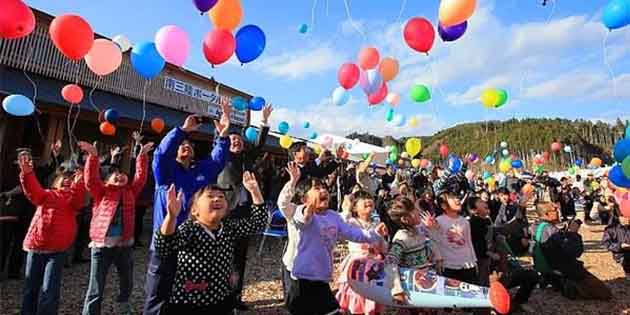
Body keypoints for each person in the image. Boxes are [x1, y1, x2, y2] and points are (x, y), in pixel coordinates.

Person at [143, 100, 232, 315]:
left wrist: (222, 136)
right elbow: (161, 154)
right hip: (166, 241)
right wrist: (182, 131)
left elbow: (218, 160)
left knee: (187, 293)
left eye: (190, 145)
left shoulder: (199, 173)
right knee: (158, 294)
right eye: (182, 144)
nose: (186, 146)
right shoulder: (165, 172)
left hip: (193, 244)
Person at [154, 172, 268, 315]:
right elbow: (164, 246)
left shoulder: (228, 227)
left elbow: (259, 223)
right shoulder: (190, 229)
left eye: (221, 197)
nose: (217, 199)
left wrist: (255, 191)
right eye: (210, 196)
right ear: (194, 210)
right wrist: (171, 217)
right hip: (188, 302)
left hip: (222, 300)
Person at [286, 174, 386, 315]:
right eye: (317, 188)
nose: (323, 191)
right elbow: (302, 220)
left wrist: (375, 233)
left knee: (331, 311)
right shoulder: (303, 213)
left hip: (322, 275)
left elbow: (353, 233)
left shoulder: (333, 216)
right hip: (303, 277)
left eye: (324, 188)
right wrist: (305, 210)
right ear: (304, 199)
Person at [79, 140, 153, 315]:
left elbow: (140, 178)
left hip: (124, 245)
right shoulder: (101, 192)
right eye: (115, 175)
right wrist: (93, 157)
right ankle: (90, 312)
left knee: (127, 282)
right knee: (96, 285)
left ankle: (123, 308)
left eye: (123, 175)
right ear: (107, 180)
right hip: (101, 246)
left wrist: (142, 156)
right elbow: (90, 180)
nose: (120, 176)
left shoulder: (130, 192)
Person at [17, 149, 86, 315]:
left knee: (50, 290)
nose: (66, 182)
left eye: (70, 181)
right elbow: (33, 190)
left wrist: (79, 182)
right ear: (55, 182)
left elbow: (78, 198)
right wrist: (27, 174)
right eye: (63, 180)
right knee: (30, 288)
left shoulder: (72, 202)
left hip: (57, 250)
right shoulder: (46, 195)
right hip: (36, 246)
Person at [217, 104, 272, 310]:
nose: (236, 141)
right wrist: (226, 117)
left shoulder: (247, 158)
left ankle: (236, 296)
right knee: (221, 255)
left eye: (239, 140)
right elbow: (221, 141)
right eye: (232, 139)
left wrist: (263, 120)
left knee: (240, 257)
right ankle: (219, 294)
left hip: (244, 212)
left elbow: (258, 144)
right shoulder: (221, 156)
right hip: (225, 212)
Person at [0, 142, 63, 279]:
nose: (27, 160)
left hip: (28, 212)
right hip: (9, 212)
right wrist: (9, 193)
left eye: (29, 157)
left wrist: (55, 154)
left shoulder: (37, 172)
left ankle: (14, 271)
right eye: (23, 157)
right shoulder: (8, 171)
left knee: (19, 242)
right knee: (3, 242)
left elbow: (51, 167)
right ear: (17, 160)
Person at [385, 197, 441, 313]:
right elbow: (390, 262)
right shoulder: (402, 238)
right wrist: (397, 289)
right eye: (414, 210)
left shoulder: (418, 231)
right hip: (412, 289)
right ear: (405, 219)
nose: (418, 211)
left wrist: (438, 258)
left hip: (426, 282)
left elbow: (430, 243)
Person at [336, 190, 387, 315]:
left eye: (369, 197)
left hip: (374, 265)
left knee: (373, 299)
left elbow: (383, 247)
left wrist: (384, 238)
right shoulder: (352, 222)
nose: (368, 200)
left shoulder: (376, 223)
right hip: (357, 265)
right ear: (355, 207)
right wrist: (346, 210)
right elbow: (340, 225)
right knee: (357, 298)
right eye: (363, 199)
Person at [435, 192, 478, 284]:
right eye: (452, 198)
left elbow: (469, 243)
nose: (457, 199)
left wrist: (474, 261)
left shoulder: (465, 222)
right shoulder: (439, 221)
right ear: (443, 206)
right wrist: (438, 260)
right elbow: (435, 241)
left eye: (456, 197)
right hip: (449, 266)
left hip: (467, 265)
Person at [468, 196, 499, 286]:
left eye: (483, 201)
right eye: (480, 202)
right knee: (482, 278)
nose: (484, 202)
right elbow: (477, 243)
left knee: (488, 276)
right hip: (481, 257)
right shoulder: (474, 223)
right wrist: (490, 253)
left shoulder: (487, 220)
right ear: (474, 210)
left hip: (489, 255)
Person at [602, 215, 630, 279]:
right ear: (619, 217)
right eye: (625, 217)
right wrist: (620, 246)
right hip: (620, 254)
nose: (627, 219)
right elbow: (606, 243)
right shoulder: (611, 228)